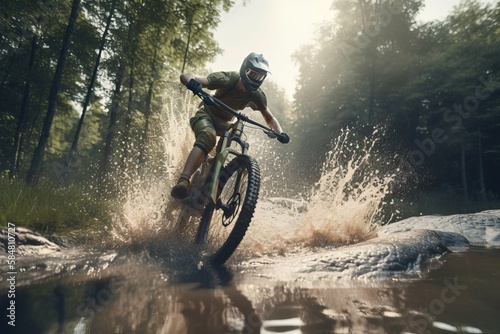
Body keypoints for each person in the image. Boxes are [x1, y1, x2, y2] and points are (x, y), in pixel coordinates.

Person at [171, 52, 289, 199]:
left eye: (260, 76)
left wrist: (279, 132)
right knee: (208, 136)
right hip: (206, 116)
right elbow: (188, 76)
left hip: (226, 125)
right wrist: (192, 82)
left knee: (224, 151)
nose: (255, 79)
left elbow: (269, 117)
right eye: (253, 74)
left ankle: (208, 183)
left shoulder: (257, 95)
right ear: (245, 70)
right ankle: (183, 181)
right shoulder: (228, 79)